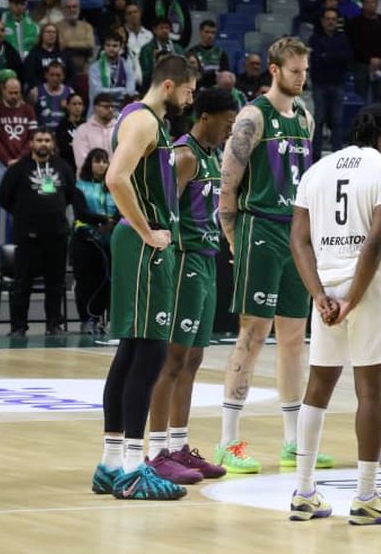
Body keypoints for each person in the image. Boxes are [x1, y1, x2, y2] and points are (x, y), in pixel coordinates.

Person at [286, 103, 381, 525]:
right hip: (366, 290)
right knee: (370, 390)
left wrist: (320, 295)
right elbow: (375, 243)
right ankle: (366, 497)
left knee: (317, 386)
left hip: (325, 291)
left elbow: (298, 241)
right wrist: (353, 298)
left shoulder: (317, 171)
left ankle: (304, 492)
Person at [215, 38, 327, 474]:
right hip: (258, 227)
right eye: (295, 71)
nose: (302, 78)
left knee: (295, 339)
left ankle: (292, 442)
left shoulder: (305, 117)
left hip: (294, 233)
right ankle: (228, 440)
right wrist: (233, 237)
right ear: (275, 71)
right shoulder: (251, 117)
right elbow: (228, 184)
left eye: (305, 70)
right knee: (253, 334)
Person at [90, 53, 197, 501]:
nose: (191, 99)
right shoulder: (144, 121)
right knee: (149, 352)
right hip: (143, 247)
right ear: (169, 85)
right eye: (189, 90)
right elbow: (116, 179)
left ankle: (112, 462)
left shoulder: (149, 122)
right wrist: (147, 232)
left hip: (143, 246)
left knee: (132, 351)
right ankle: (135, 467)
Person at [142, 87, 239, 486]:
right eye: (227, 124)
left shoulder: (210, 155)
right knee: (173, 359)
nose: (230, 132)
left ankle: (179, 446)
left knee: (194, 358)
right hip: (184, 262)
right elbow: (165, 211)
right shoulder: (183, 156)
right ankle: (158, 451)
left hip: (207, 261)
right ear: (205, 117)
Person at [0, 128, 73, 337]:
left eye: (47, 140)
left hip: (57, 235)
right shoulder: (18, 169)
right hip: (28, 236)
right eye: (39, 140)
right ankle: (18, 327)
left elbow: (70, 194)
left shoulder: (62, 167)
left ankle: (54, 325)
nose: (43, 144)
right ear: (31, 143)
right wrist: (24, 214)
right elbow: (4, 197)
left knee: (55, 285)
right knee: (22, 284)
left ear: (53, 144)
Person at [70, 147, 117, 335]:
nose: (102, 165)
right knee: (86, 282)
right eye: (97, 161)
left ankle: (101, 319)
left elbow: (122, 208)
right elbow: (81, 211)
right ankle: (86, 319)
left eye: (105, 161)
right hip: (86, 239)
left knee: (106, 281)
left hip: (110, 239)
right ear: (90, 164)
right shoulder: (80, 186)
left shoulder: (114, 185)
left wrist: (113, 222)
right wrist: (102, 220)